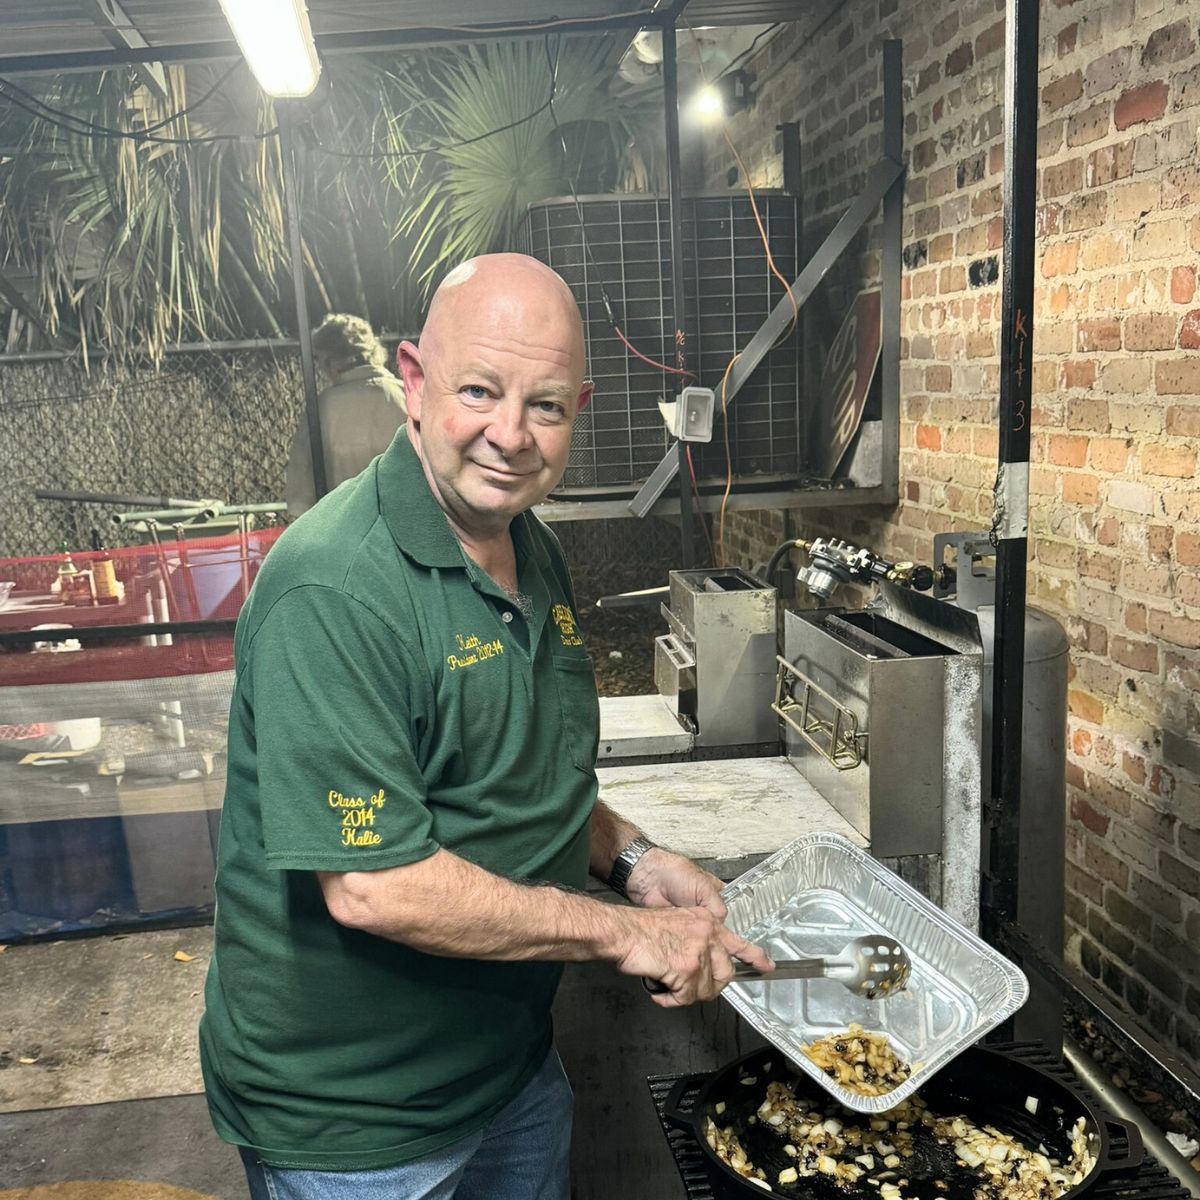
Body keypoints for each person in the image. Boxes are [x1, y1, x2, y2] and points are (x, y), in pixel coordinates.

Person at [199, 254, 772, 1200]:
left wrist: (634, 860)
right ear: (414, 383)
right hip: (360, 1121)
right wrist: (625, 934)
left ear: (578, 409)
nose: (510, 435)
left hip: (509, 1076)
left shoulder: (531, 549)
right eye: (479, 390)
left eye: (545, 406)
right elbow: (375, 887)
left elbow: (519, 777)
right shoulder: (334, 589)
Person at [285, 312, 408, 517]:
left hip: (343, 525)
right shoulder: (407, 396)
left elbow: (301, 483)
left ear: (328, 359)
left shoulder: (321, 408)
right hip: (405, 522)